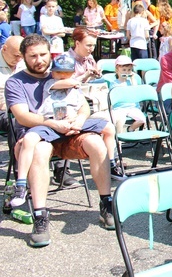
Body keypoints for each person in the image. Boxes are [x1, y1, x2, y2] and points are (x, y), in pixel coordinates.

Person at [5, 35, 117, 247]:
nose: (39, 60)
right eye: (33, 56)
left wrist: (79, 119)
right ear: (24, 57)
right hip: (35, 135)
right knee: (39, 150)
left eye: (43, 55)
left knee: (96, 142)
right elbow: (22, 116)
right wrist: (53, 124)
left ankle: (106, 202)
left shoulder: (60, 74)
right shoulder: (16, 82)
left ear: (51, 53)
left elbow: (83, 105)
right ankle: (40, 216)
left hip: (67, 132)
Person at [10, 52, 119, 208]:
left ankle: (112, 164)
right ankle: (21, 184)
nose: (62, 76)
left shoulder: (74, 87)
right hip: (50, 125)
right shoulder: (50, 83)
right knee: (29, 140)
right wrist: (76, 80)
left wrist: (79, 121)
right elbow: (63, 84)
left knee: (108, 127)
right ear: (52, 72)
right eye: (59, 72)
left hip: (73, 123)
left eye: (67, 72)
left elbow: (84, 108)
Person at [105, 55, 147, 134]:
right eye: (124, 70)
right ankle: (118, 137)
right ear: (117, 70)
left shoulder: (130, 82)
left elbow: (135, 92)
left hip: (132, 107)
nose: (127, 72)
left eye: (129, 70)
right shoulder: (114, 84)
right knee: (119, 121)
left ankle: (130, 129)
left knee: (142, 119)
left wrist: (132, 79)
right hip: (119, 108)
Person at [0, 36, 24, 134]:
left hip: (22, 106)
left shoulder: (24, 63)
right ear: (4, 49)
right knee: (16, 122)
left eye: (21, 56)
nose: (19, 59)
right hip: (3, 109)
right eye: (16, 55)